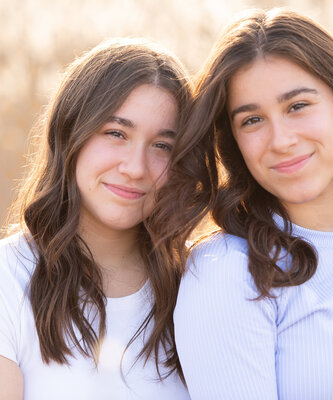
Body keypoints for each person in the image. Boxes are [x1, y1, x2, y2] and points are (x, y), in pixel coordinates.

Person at [173, 8, 333, 400]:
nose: (280, 140)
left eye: (297, 106)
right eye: (252, 120)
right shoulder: (227, 272)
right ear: (234, 141)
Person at [0, 38, 192, 400]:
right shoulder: (8, 278)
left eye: (162, 145)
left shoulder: (201, 282)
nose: (136, 168)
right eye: (116, 133)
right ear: (70, 132)